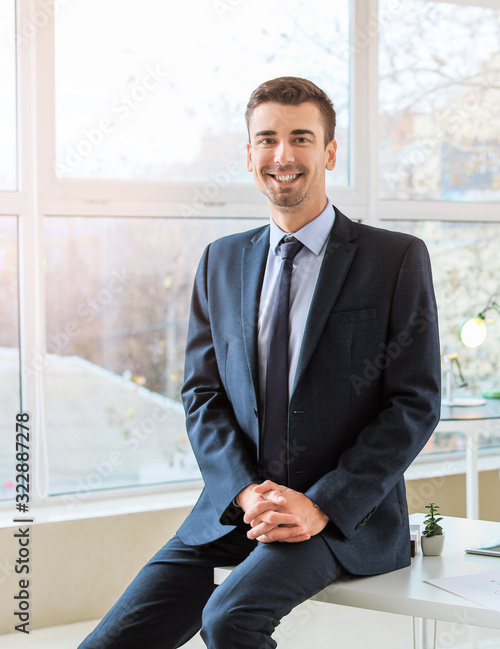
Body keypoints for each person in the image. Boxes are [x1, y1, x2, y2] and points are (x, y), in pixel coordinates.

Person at [80, 77, 441, 649]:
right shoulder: (219, 262)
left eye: (301, 138)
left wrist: (321, 503)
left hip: (341, 518)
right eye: (267, 139)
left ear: (329, 151)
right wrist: (246, 492)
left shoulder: (393, 258)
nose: (283, 155)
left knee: (230, 619)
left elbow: (415, 402)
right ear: (248, 154)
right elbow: (202, 395)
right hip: (239, 510)